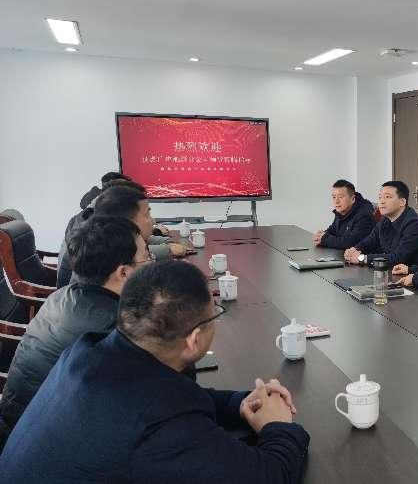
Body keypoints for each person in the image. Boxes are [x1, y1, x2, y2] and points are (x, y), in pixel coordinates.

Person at [0, 261, 310, 482]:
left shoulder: (87, 353)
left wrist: (240, 403)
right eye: (214, 315)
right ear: (194, 339)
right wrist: (278, 426)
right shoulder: (160, 424)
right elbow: (271, 475)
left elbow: (175, 399)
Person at [0, 216, 150, 448]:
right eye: (145, 259)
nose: (150, 265)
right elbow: (155, 397)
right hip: (47, 448)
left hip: (17, 429)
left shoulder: (62, 296)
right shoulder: (114, 329)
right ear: (123, 272)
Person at [57, 184, 187, 287]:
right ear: (126, 221)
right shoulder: (98, 246)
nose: (153, 221)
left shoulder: (99, 232)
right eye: (147, 214)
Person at [344, 180, 418, 267]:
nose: (381, 201)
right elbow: (370, 241)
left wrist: (361, 258)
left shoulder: (414, 225)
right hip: (393, 272)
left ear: (402, 202)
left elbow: (397, 258)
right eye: (380, 197)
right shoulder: (385, 219)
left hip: (417, 274)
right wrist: (355, 250)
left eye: (387, 197)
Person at [313, 179, 375, 249]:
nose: (336, 201)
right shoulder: (341, 211)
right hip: (342, 254)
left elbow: (350, 243)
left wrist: (324, 239)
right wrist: (320, 236)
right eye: (334, 197)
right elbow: (333, 230)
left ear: (353, 199)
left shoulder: (364, 215)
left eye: (340, 197)